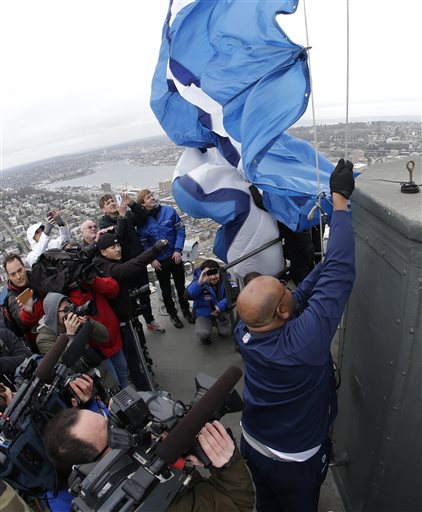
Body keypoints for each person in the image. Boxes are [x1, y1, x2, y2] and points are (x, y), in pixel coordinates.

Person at [234, 159, 356, 512]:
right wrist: (340, 202)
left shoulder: (247, 328)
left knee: (267, 504)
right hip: (293, 459)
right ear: (283, 313)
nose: (291, 288)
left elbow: (304, 294)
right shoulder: (300, 344)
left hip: (254, 442)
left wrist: (328, 259)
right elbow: (341, 275)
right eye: (283, 288)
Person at [43, 408, 255, 512]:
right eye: (112, 433)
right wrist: (228, 464)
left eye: (108, 418)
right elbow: (238, 505)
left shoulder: (87, 491)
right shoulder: (158, 500)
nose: (121, 429)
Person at [93, 234, 167, 389]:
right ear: (103, 252)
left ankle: (143, 382)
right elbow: (127, 268)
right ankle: (143, 387)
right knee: (132, 359)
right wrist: (154, 250)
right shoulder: (104, 266)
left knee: (136, 353)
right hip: (120, 323)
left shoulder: (107, 261)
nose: (118, 249)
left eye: (118, 245)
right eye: (113, 247)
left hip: (126, 317)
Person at [98, 193, 164, 333]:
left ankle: (149, 320)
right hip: (124, 266)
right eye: (108, 203)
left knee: (144, 292)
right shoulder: (104, 224)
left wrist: (132, 204)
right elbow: (116, 238)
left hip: (138, 260)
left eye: (112, 200)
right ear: (103, 210)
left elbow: (143, 218)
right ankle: (135, 326)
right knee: (130, 297)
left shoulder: (126, 214)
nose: (112, 203)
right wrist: (121, 216)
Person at [136, 189, 195, 329]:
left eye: (152, 195)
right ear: (142, 204)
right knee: (166, 289)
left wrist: (178, 250)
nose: (152, 198)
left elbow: (180, 230)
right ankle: (173, 314)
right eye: (148, 197)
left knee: (181, 286)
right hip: (159, 262)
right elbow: (143, 243)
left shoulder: (169, 211)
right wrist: (151, 259)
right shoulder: (143, 222)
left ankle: (186, 310)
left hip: (174, 257)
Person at [185, 259, 238, 345]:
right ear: (203, 274)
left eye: (215, 272)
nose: (213, 277)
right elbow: (187, 296)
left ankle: (218, 325)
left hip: (220, 311)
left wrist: (219, 307)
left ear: (219, 271)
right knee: (203, 333)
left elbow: (235, 293)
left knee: (227, 332)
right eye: (209, 274)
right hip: (204, 313)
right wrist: (199, 283)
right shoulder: (198, 281)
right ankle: (206, 333)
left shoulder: (225, 279)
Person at [3, 254, 44, 350]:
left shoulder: (38, 278)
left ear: (24, 267)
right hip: (39, 338)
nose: (18, 276)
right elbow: (20, 318)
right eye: (13, 274)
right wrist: (27, 312)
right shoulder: (13, 297)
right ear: (8, 276)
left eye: (19, 270)